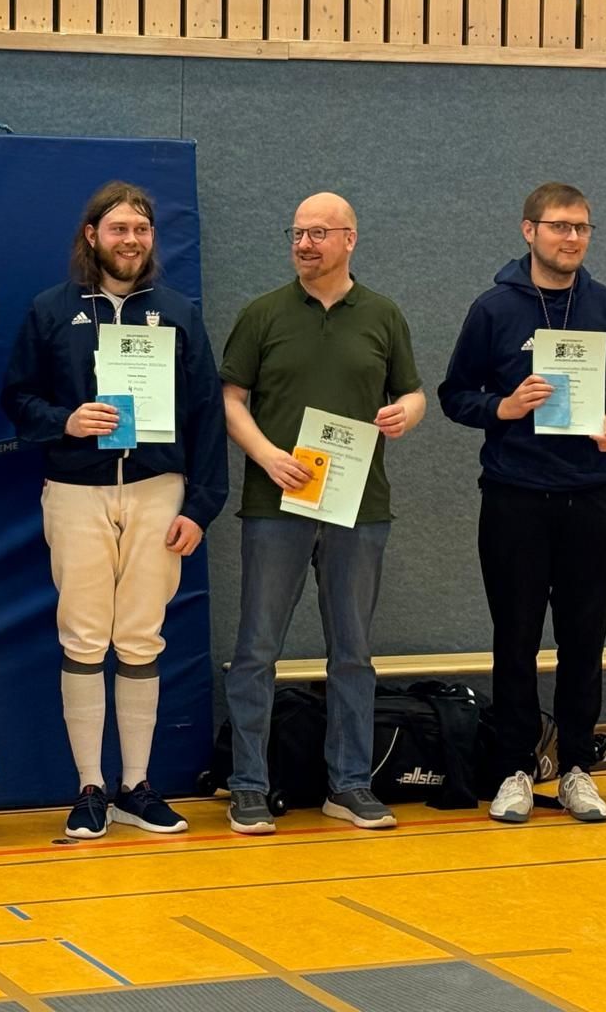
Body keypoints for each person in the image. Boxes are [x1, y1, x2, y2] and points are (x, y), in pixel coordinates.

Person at [1, 181, 228, 838]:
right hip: (77, 492)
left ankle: (136, 785)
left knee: (140, 638)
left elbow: (207, 415)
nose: (131, 240)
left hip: (159, 491)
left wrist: (201, 508)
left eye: (142, 229)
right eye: (119, 229)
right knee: (82, 637)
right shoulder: (52, 310)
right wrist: (65, 421)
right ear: (92, 235)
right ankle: (89, 788)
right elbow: (17, 399)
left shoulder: (178, 314)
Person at [219, 192, 425, 835]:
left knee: (354, 653)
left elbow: (413, 392)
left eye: (318, 233)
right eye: (297, 234)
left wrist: (406, 414)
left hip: (358, 506)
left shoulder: (383, 315)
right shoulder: (262, 314)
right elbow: (230, 398)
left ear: (349, 240)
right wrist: (266, 455)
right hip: (275, 505)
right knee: (256, 650)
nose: (304, 244)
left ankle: (351, 784)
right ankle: (248, 786)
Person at [438, 182, 606, 825]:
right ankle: (514, 770)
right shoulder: (494, 308)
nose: (572, 238)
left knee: (584, 643)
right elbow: (454, 394)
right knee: (516, 641)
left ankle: (577, 766)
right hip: (516, 500)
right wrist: (502, 406)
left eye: (581, 227)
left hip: (593, 498)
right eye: (559, 226)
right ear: (529, 231)